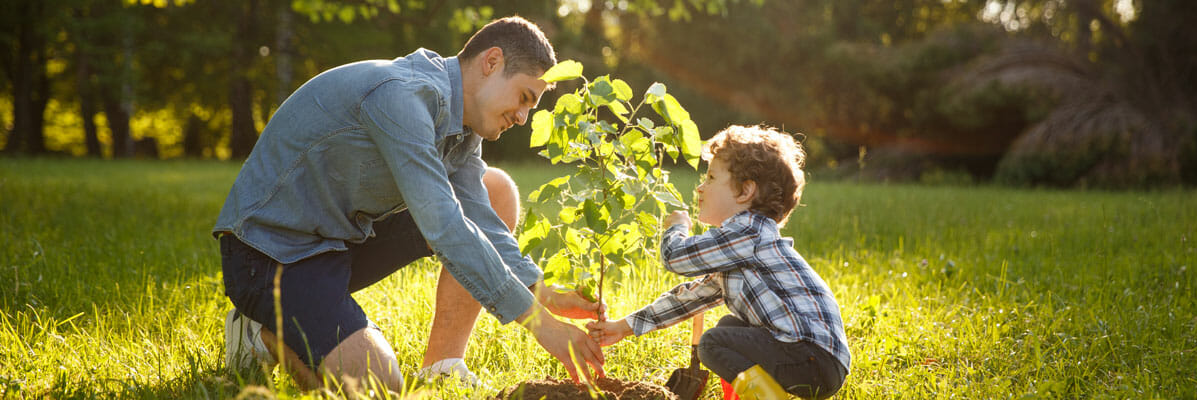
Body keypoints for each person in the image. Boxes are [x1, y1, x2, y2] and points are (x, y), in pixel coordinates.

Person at [214, 16, 605, 392]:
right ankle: (260, 334)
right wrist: (541, 324)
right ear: (492, 62)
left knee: (494, 190)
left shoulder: (462, 127)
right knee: (379, 386)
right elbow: (445, 225)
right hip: (269, 255)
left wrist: (541, 291)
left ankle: (443, 367)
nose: (522, 117)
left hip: (336, 241)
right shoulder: (402, 96)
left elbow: (480, 218)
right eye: (524, 98)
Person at [587, 125, 851, 399]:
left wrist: (676, 228)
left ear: (745, 191)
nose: (700, 187)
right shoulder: (742, 248)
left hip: (810, 355)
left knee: (712, 343)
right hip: (816, 360)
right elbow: (687, 300)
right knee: (728, 328)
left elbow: (675, 257)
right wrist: (622, 327)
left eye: (711, 177)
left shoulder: (748, 232)